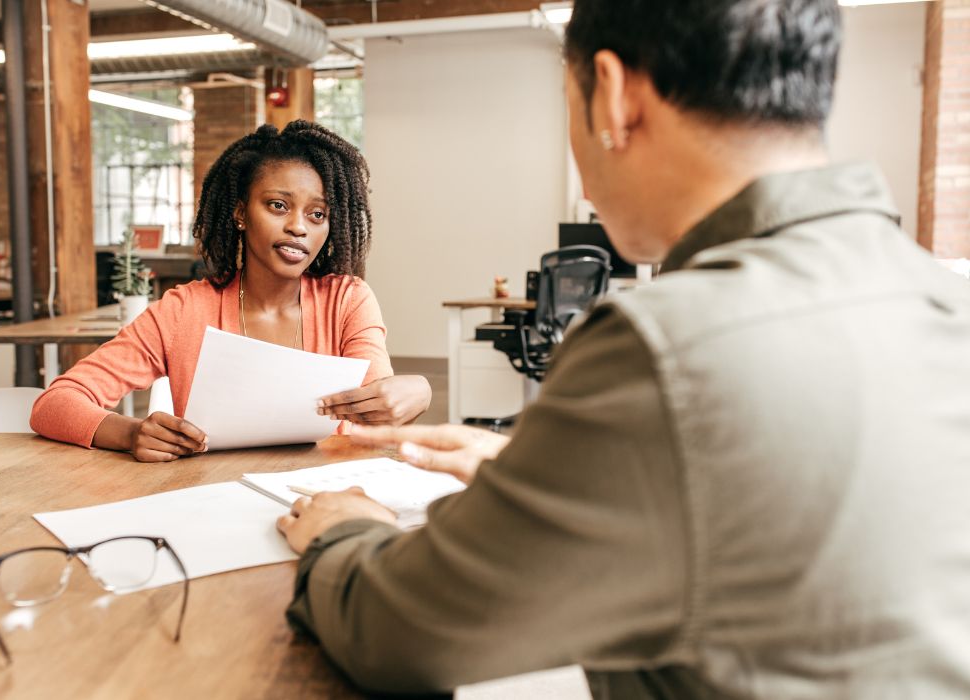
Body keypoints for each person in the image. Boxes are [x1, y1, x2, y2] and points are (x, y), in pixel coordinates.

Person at [274, 1, 970, 696]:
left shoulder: (667, 348)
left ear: (611, 92)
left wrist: (347, 529)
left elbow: (402, 631)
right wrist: (554, 474)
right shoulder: (942, 301)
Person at [31, 120, 431, 462]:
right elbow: (55, 404)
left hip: (325, 492)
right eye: (278, 205)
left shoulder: (347, 301)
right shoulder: (184, 311)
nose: (299, 227)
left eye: (317, 214)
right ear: (240, 212)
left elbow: (377, 413)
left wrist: (419, 392)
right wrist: (130, 433)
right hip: (208, 495)